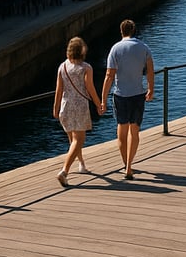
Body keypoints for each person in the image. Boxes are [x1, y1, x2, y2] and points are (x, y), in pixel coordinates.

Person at [100, 19, 155, 179]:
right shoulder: (144, 48)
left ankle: (126, 165)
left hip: (120, 95)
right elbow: (150, 70)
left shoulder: (115, 49)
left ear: (121, 31)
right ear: (134, 30)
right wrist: (151, 88)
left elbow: (109, 75)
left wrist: (103, 99)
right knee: (135, 131)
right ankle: (130, 166)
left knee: (122, 131)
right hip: (138, 94)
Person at [53, 36, 102, 186]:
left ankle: (81, 165)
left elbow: (59, 89)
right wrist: (98, 103)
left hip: (65, 105)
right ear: (82, 51)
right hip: (79, 106)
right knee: (79, 139)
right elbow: (90, 87)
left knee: (73, 139)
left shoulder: (62, 67)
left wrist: (55, 108)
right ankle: (64, 171)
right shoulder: (86, 68)